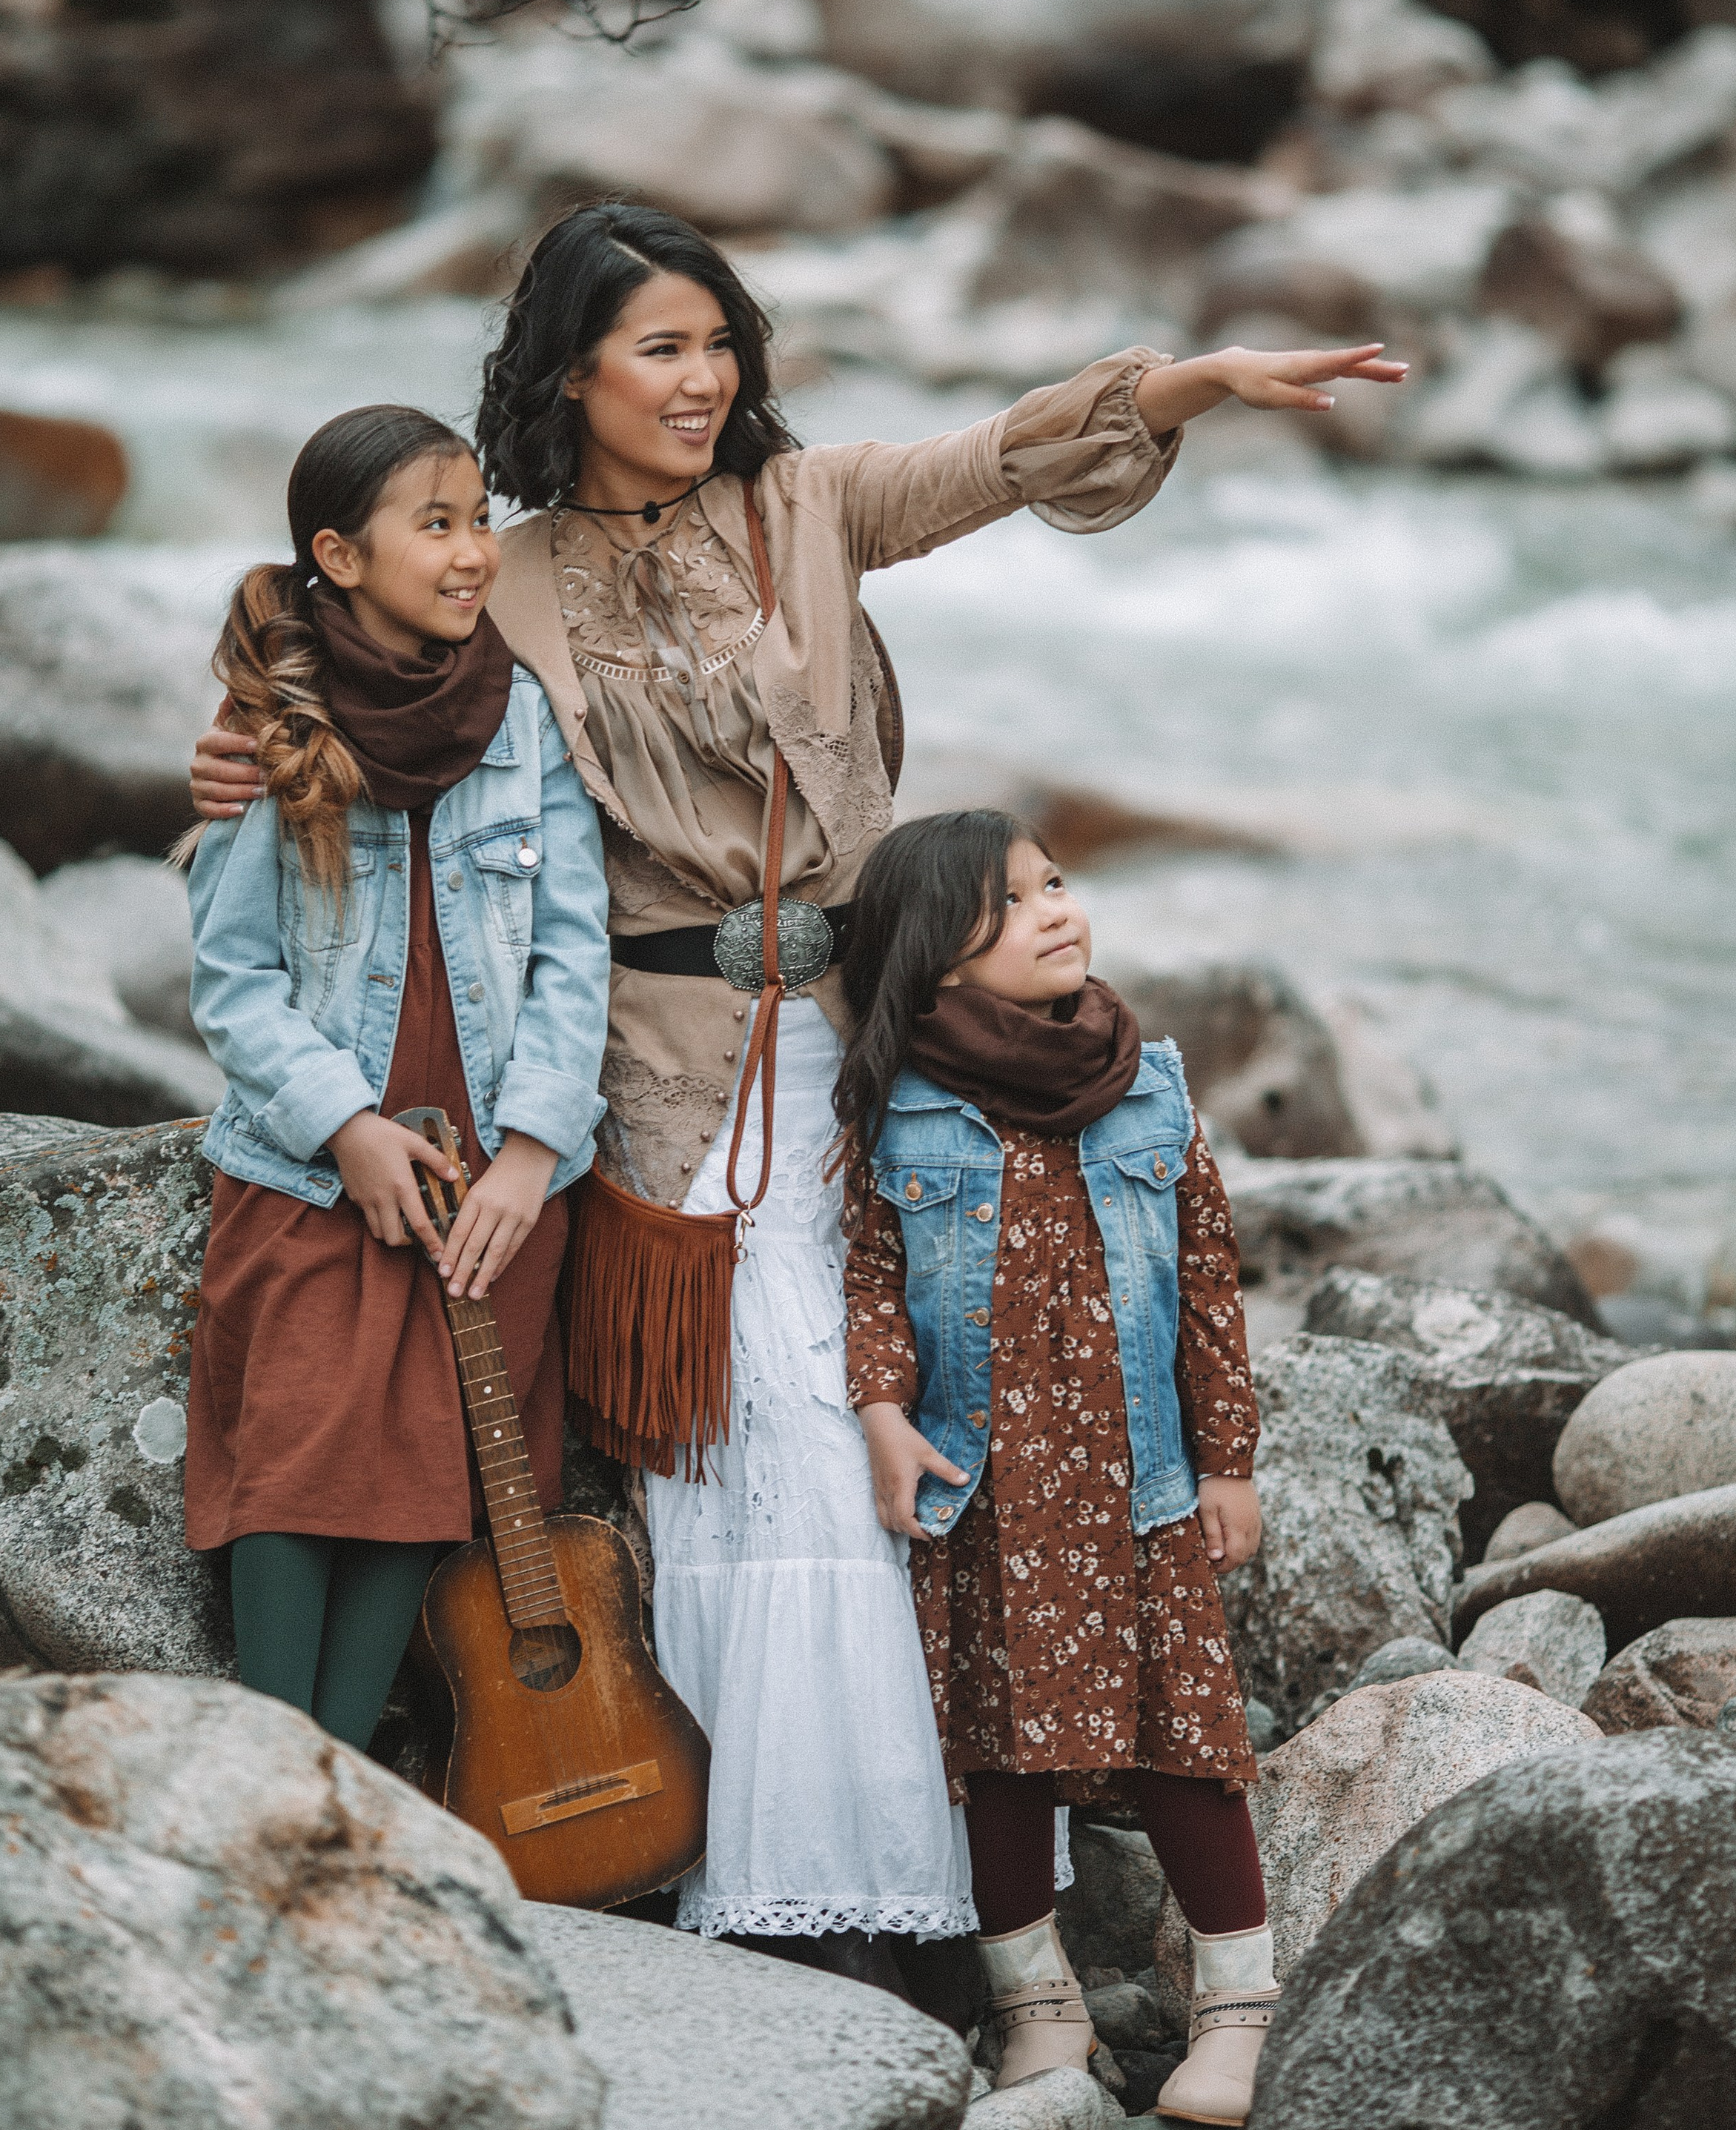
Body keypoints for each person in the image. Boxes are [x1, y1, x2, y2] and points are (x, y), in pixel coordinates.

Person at [188, 199, 1403, 1964]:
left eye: (717, 339)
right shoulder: (500, 572)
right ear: (570, 373)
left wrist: (1186, 383)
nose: (702, 378)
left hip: (868, 1061)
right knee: (744, 1450)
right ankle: (754, 1875)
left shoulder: (805, 504)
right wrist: (228, 752)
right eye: (658, 347)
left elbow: (990, 459)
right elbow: (356, 693)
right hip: (648, 1075)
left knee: (894, 1436)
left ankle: (951, 1901)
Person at [838, 809, 1276, 2128]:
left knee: (1184, 1745)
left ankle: (1240, 2014)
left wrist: (1230, 1463)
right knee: (995, 1755)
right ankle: (1040, 2011)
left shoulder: (1152, 1083)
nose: (1057, 911)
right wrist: (880, 1409)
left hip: (1138, 1492)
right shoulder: (899, 1107)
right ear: (938, 959)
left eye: (1057, 882)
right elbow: (869, 1275)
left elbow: (1209, 1285)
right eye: (1010, 906)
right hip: (985, 1493)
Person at [182, 403, 610, 1755]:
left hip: (487, 1177)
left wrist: (538, 1146)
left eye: (481, 517)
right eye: (437, 523)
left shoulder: (522, 716)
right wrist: (347, 1127)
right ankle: (270, 1759)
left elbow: (573, 950)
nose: (475, 548)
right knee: (295, 1454)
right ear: (340, 555)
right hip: (315, 1170)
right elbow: (233, 979)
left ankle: (346, 1777)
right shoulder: (276, 725)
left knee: (434, 1475)